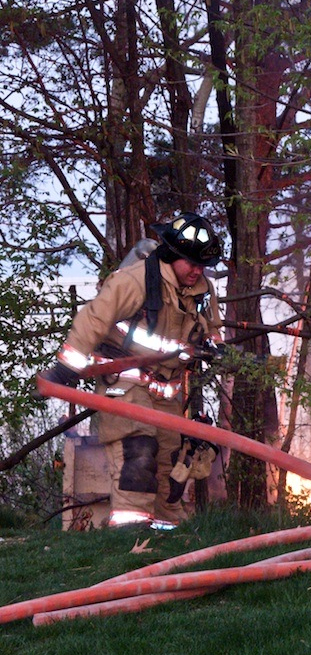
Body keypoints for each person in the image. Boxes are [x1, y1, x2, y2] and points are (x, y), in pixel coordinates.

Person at [38, 212, 225, 530]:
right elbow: (93, 320)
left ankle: (167, 541)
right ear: (172, 254)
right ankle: (130, 540)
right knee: (138, 454)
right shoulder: (134, 281)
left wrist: (214, 345)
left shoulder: (201, 290)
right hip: (123, 387)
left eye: (201, 265)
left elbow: (212, 327)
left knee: (170, 467)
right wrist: (66, 367)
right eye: (191, 263)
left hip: (166, 392)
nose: (197, 271)